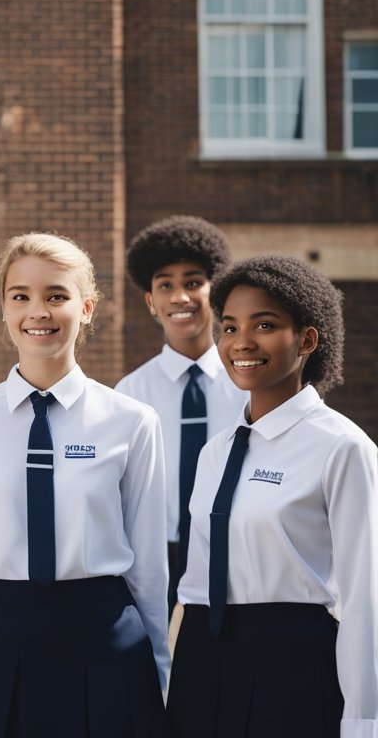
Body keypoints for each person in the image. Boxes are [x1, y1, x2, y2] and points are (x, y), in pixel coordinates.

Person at [0, 233, 169, 737]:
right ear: (3, 307)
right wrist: (16, 610)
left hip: (108, 637)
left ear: (86, 308)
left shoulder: (132, 422)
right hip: (7, 638)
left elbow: (149, 565)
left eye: (56, 296)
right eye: (20, 296)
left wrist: (160, 673)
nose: (37, 311)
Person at [168, 255, 376, 738]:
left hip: (293, 665)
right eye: (230, 326)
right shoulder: (215, 452)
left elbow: (367, 600)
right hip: (202, 659)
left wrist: (364, 722)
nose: (241, 342)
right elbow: (197, 579)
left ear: (306, 339)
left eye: (264, 325)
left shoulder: (342, 447)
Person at [116, 216, 246, 610]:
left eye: (193, 283)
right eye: (165, 286)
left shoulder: (247, 383)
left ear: (215, 293)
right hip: (159, 549)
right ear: (150, 301)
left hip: (235, 543)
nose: (180, 297)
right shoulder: (130, 394)